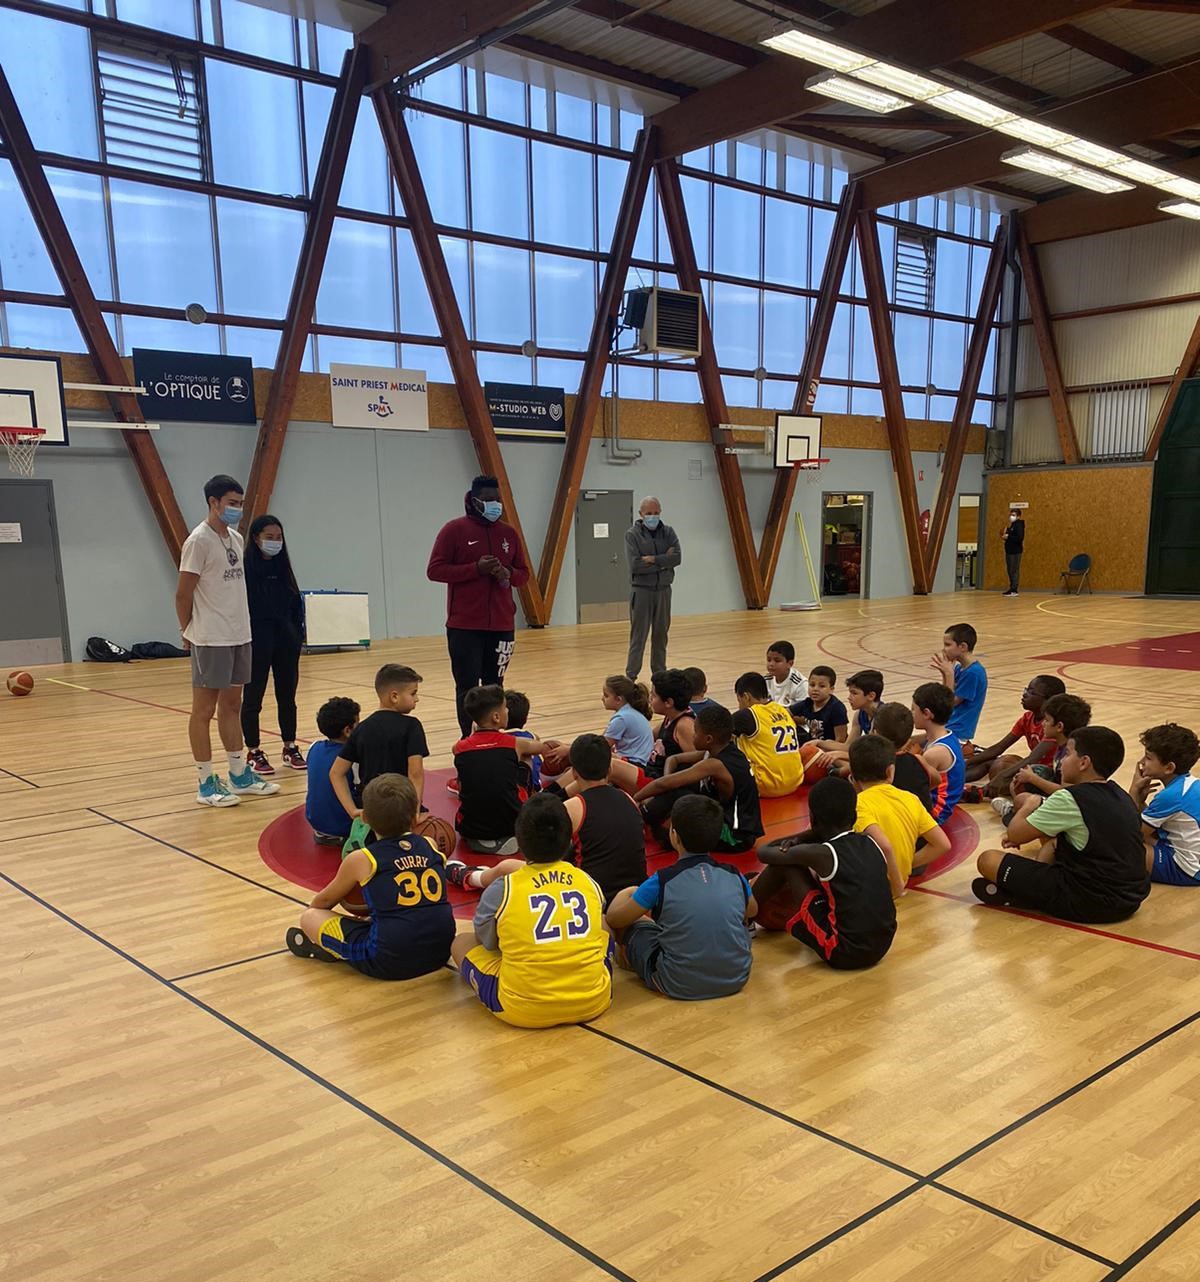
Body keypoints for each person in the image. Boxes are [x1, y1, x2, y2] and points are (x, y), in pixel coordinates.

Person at [451, 793, 613, 1029]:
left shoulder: (505, 887)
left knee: (460, 943)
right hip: (594, 1000)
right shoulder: (587, 881)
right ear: (569, 840)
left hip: (522, 1009)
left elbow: (486, 942)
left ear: (520, 841)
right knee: (603, 923)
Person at [175, 474, 279, 808]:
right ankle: (206, 781)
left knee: (232, 705)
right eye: (232, 503)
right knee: (203, 710)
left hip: (239, 634)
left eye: (240, 503)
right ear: (213, 502)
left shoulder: (234, 537)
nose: (237, 509)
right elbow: (183, 593)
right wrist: (187, 630)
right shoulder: (198, 541)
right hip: (210, 637)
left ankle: (239, 773)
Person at [973, 726, 1150, 922]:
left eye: (1067, 754)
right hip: (1130, 899)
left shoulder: (1070, 798)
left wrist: (1030, 805)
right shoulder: (1119, 794)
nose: (1062, 760)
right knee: (1054, 840)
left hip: (1090, 902)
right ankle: (1032, 888)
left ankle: (1026, 895)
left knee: (987, 860)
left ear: (1084, 763)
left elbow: (1014, 835)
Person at [286, 774, 455, 979]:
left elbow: (323, 902)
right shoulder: (430, 844)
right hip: (441, 951)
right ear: (414, 818)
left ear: (364, 818)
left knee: (310, 917)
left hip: (388, 961)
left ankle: (335, 949)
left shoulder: (362, 859)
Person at [606, 794, 755, 1001]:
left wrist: (626, 895)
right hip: (737, 978)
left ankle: (628, 960)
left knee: (635, 924)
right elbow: (752, 910)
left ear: (674, 836)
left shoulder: (662, 880)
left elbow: (615, 920)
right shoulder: (734, 874)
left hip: (677, 983)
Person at [752, 777, 898, 970]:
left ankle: (743, 916)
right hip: (882, 945)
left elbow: (764, 853)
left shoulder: (822, 853)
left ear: (812, 819)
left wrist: (802, 836)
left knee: (787, 864)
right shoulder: (871, 842)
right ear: (854, 817)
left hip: (843, 952)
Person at [427, 475, 529, 740]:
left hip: (502, 625)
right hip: (465, 626)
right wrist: (475, 569)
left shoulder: (509, 533)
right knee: (467, 686)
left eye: (497, 500)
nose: (494, 504)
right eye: (487, 500)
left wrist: (505, 573)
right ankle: (468, 738)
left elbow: (523, 574)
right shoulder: (454, 530)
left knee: (495, 687)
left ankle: (495, 737)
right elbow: (435, 570)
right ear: (473, 501)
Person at [636, 704, 763, 853]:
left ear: (708, 739)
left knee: (679, 797)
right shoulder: (717, 751)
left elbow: (663, 784)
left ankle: (639, 817)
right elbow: (673, 759)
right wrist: (669, 782)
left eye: (695, 732)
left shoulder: (715, 764)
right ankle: (647, 820)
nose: (692, 735)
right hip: (730, 821)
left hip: (737, 837)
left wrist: (635, 799)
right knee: (680, 789)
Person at [241, 514, 305, 777]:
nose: (275, 542)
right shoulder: (245, 570)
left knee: (287, 695)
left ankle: (289, 746)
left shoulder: (283, 569)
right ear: (256, 538)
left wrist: (296, 633)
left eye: (278, 538)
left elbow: (294, 604)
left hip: (286, 639)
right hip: (257, 639)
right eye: (269, 537)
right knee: (253, 696)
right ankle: (253, 750)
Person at [453, 684, 546, 856]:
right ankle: (531, 792)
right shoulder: (514, 743)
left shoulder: (458, 748)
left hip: (470, 827)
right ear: (496, 716)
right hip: (511, 825)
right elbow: (542, 748)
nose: (508, 712)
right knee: (526, 756)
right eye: (505, 708)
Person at [331, 664, 427, 824]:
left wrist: (352, 810)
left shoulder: (362, 728)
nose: (417, 698)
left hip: (372, 809)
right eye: (413, 693)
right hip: (400, 807)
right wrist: (414, 813)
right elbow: (415, 774)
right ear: (394, 696)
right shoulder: (412, 726)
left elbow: (336, 773)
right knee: (434, 833)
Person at [849, 734, 949, 889]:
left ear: (853, 777)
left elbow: (884, 845)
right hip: (903, 874)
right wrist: (906, 862)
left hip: (872, 886)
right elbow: (943, 844)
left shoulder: (858, 804)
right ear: (890, 772)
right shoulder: (911, 798)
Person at [562, 734, 648, 906]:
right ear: (609, 770)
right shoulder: (629, 799)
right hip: (635, 899)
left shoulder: (571, 807)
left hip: (594, 900)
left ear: (574, 773)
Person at [991, 692, 1092, 826]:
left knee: (1023, 797)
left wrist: (1033, 779)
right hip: (1067, 799)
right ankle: (1022, 812)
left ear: (1059, 727)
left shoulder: (1072, 756)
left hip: (1076, 806)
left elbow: (1066, 792)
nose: (1043, 723)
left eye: (1047, 720)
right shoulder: (1064, 745)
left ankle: (1016, 813)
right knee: (1028, 777)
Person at [963, 675, 1066, 800]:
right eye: (1026, 690)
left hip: (1049, 774)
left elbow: (1032, 758)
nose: (1025, 694)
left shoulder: (1053, 725)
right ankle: (954, 779)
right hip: (1033, 767)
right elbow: (999, 747)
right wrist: (965, 763)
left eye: (1031, 692)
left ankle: (980, 793)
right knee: (992, 762)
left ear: (1049, 700)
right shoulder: (1027, 718)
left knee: (1011, 772)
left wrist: (1000, 777)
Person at [1129, 722, 1200, 886]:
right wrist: (1141, 802)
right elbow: (1154, 826)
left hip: (1186, 869)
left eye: (1148, 758)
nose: (1141, 762)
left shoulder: (1171, 796)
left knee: (1118, 846)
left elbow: (1131, 833)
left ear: (1169, 768)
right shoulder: (1189, 784)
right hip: (1191, 857)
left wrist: (1133, 791)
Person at [625, 496, 681, 681]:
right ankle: (631, 676)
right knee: (638, 637)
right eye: (649, 513)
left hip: (664, 590)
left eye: (656, 513)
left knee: (660, 635)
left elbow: (677, 558)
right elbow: (636, 565)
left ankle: (659, 676)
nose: (653, 516)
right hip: (641, 591)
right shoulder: (632, 534)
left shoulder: (669, 532)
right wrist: (664, 560)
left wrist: (653, 559)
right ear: (641, 514)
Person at [731, 671, 804, 798]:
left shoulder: (748, 714)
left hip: (765, 785)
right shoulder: (783, 710)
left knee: (725, 745)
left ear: (746, 697)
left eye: (739, 700)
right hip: (796, 781)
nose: (739, 706)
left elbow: (716, 732)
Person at [305, 697, 360, 845]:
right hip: (345, 829)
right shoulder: (353, 758)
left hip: (317, 825)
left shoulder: (314, 747)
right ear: (348, 731)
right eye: (358, 724)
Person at [911, 682, 965, 825]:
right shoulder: (946, 734)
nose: (912, 714)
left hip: (935, 812)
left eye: (913, 710)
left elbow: (914, 787)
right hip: (938, 804)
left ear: (927, 714)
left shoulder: (935, 753)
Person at [930, 623, 988, 744]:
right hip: (947, 726)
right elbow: (944, 696)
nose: (943, 649)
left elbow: (949, 703)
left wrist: (949, 674)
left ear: (962, 646)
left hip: (958, 732)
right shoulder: (959, 668)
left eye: (947, 645)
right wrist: (945, 673)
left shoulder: (973, 673)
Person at [871, 702, 934, 811]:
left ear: (876, 733)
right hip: (924, 818)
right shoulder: (919, 759)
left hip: (898, 822)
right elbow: (936, 780)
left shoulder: (875, 765)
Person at [601, 675, 654, 767]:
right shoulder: (628, 712)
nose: (602, 698)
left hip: (635, 764)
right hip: (639, 762)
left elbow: (601, 746)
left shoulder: (621, 718)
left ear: (618, 699)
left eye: (606, 695)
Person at [789, 665, 848, 745]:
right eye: (812, 685)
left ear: (831, 689)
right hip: (812, 745)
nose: (815, 689)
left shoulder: (837, 708)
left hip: (830, 749)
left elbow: (841, 739)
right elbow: (785, 712)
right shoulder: (807, 703)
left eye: (822, 686)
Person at [505, 689, 541, 791]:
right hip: (537, 789)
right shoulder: (533, 736)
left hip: (519, 793)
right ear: (525, 719)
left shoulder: (498, 738)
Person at [765, 641, 806, 705]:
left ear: (790, 664)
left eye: (777, 661)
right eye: (769, 660)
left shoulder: (800, 685)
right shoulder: (766, 680)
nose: (771, 664)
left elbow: (804, 711)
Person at [1002, 508, 1026, 596]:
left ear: (1018, 516)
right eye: (1011, 515)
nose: (1011, 517)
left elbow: (1019, 538)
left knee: (1014, 570)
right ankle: (1011, 587)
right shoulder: (1012, 525)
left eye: (1013, 515)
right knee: (1009, 570)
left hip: (1015, 551)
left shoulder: (1019, 525)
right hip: (1009, 550)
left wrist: (1008, 537)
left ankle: (1014, 589)